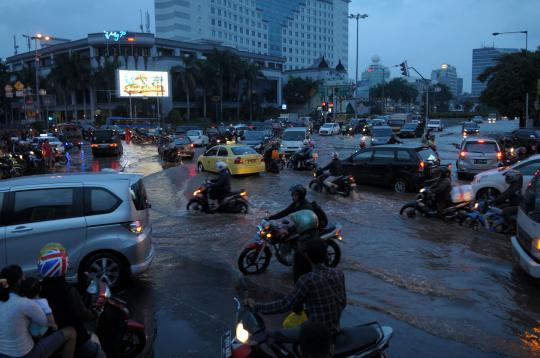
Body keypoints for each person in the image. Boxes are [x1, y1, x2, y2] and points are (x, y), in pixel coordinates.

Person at [254, 239, 347, 334]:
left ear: (307, 256)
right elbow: (343, 303)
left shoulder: (308, 279)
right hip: (335, 328)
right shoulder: (338, 273)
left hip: (315, 333)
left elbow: (285, 304)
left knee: (275, 336)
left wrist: (258, 307)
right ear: (326, 254)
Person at [38, 244, 105, 358]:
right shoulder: (68, 291)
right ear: (62, 266)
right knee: (99, 355)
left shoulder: (39, 287)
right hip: (75, 336)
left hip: (49, 335)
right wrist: (95, 314)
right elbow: (82, 315)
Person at [0, 265, 76, 358]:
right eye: (23, 277)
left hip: (2, 353)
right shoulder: (25, 303)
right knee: (71, 332)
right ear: (19, 282)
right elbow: (46, 323)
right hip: (25, 354)